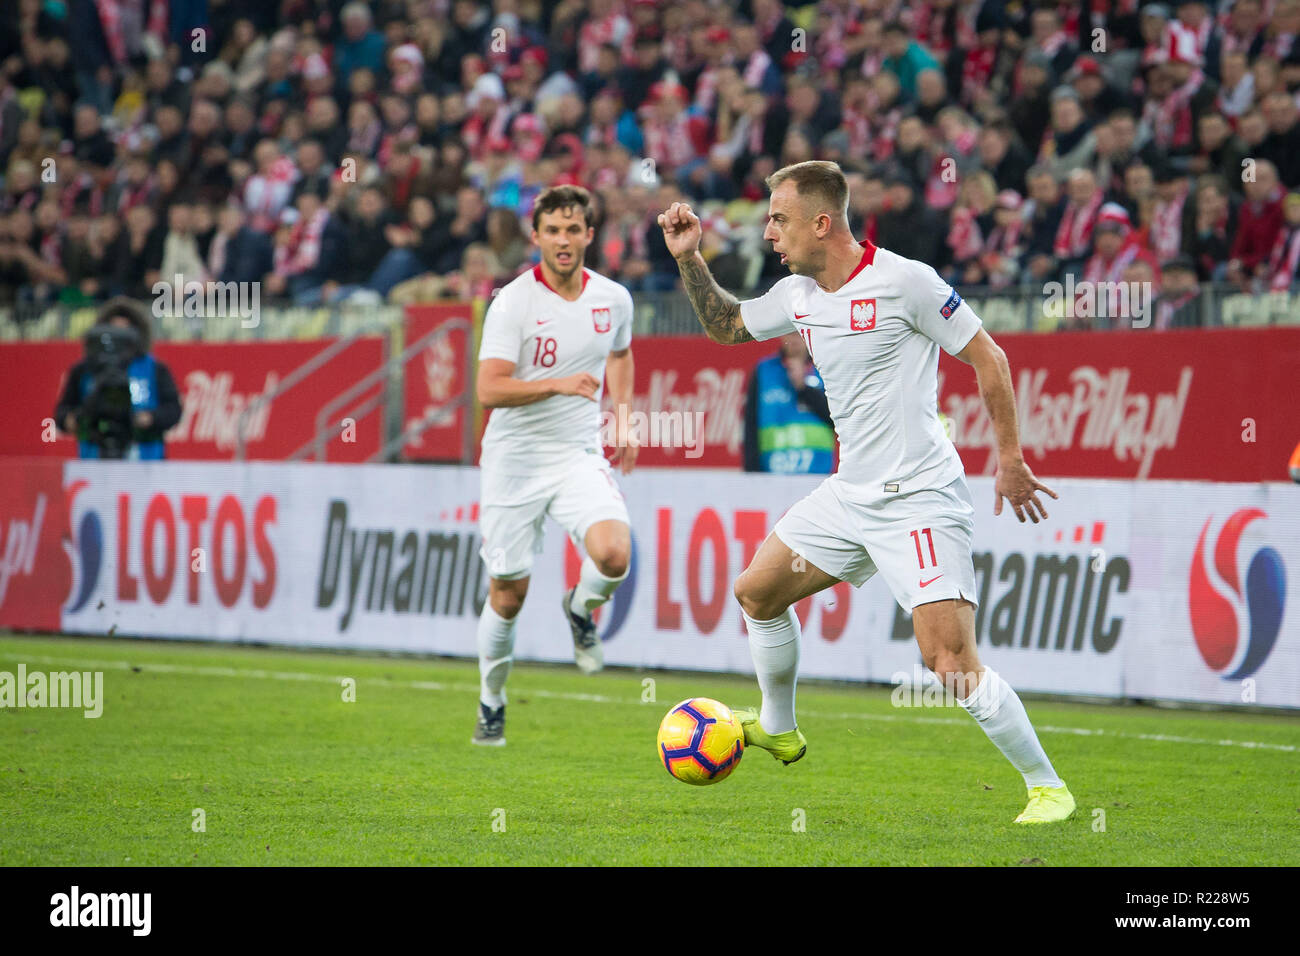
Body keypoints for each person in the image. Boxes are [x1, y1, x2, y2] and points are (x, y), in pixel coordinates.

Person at [658, 160, 1075, 825]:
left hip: (919, 499)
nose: (769, 233)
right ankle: (781, 727)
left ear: (821, 223)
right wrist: (690, 259)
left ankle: (1047, 786)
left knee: (948, 659)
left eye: (779, 219)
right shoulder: (799, 295)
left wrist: (1010, 459)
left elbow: (988, 358)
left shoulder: (906, 282)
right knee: (757, 592)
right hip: (851, 495)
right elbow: (727, 326)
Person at [472, 185, 637, 746]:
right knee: (507, 595)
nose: (564, 240)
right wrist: (558, 385)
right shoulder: (514, 301)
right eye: (554, 231)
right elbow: (488, 389)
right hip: (513, 463)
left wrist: (626, 416)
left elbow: (620, 352)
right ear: (536, 237)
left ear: (590, 235)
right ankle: (492, 700)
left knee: (614, 554)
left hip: (576, 453)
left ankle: (579, 608)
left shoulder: (613, 299)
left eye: (574, 229)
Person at [54, 297, 182, 459]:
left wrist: (149, 418)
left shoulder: (155, 368)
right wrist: (75, 419)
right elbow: (62, 412)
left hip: (145, 459)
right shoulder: (84, 370)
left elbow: (173, 410)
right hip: (93, 457)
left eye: (124, 334)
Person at [742, 331, 834, 474]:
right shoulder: (764, 370)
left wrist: (804, 389)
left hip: (818, 474)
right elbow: (750, 424)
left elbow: (838, 418)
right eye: (789, 332)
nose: (794, 339)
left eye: (798, 333)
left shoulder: (826, 368)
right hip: (772, 474)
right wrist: (752, 475)